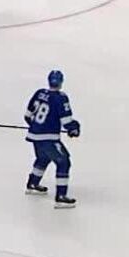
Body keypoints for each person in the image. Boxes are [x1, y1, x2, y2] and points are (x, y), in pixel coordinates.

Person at [24, 70, 80, 208]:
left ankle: (33, 184)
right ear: (61, 82)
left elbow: (27, 115)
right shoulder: (61, 98)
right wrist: (74, 129)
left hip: (35, 136)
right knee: (63, 162)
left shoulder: (39, 93)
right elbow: (66, 121)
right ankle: (61, 196)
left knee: (43, 158)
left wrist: (36, 127)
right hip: (49, 138)